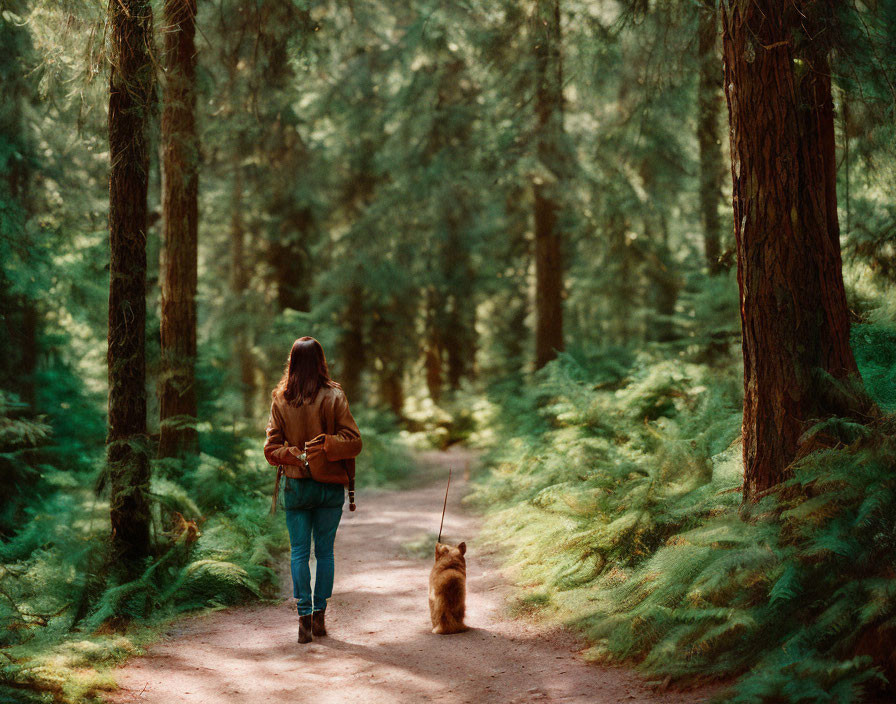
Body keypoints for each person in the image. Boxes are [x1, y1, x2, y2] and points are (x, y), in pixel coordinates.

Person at [263, 336, 362, 644]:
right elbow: (354, 442)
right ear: (321, 361)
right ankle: (319, 618)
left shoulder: (281, 399)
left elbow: (270, 449)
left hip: (295, 486)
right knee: (325, 553)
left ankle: (303, 621)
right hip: (329, 486)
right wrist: (328, 444)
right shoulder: (334, 395)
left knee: (298, 553)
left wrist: (291, 454)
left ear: (291, 362)